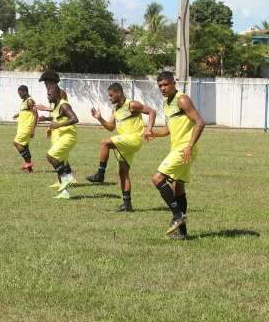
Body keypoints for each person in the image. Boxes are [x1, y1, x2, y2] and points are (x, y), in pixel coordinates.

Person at [145, 72, 205, 239]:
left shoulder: (182, 99)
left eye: (166, 84)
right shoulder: (167, 103)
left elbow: (200, 122)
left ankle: (178, 215)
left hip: (184, 149)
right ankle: (182, 233)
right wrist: (155, 134)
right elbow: (170, 128)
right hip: (178, 148)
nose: (163, 88)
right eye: (160, 86)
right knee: (178, 187)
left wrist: (189, 146)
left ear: (174, 83)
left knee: (157, 178)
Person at [85, 83, 157, 212]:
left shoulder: (131, 105)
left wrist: (148, 129)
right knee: (123, 172)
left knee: (104, 143)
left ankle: (100, 174)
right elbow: (111, 127)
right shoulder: (116, 109)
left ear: (119, 93)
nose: (110, 98)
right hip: (124, 142)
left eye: (111, 95)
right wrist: (100, 118)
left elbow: (152, 112)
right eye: (109, 96)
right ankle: (127, 205)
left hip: (134, 138)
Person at [39, 83, 78, 199]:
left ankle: (66, 178)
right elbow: (57, 117)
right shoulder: (56, 106)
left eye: (49, 94)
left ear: (56, 94)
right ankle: (65, 193)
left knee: (50, 156)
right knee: (59, 161)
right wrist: (46, 118)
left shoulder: (64, 105)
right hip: (62, 136)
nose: (48, 96)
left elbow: (75, 119)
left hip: (68, 136)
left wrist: (58, 125)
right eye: (47, 94)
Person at [12, 85, 38, 172]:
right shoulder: (24, 101)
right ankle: (29, 169)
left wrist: (33, 129)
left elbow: (35, 114)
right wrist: (18, 114)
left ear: (25, 92)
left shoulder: (30, 101)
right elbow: (26, 111)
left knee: (16, 143)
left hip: (27, 127)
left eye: (20, 94)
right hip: (22, 127)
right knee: (24, 146)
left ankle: (27, 163)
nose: (19, 95)